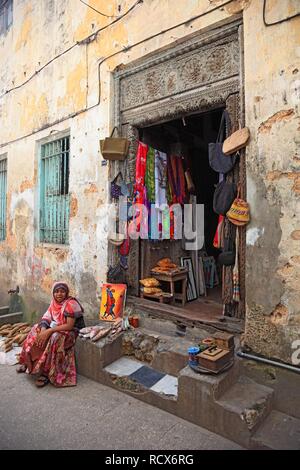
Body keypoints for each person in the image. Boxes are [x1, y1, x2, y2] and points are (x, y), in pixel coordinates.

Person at [16, 282, 85, 387]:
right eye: (56, 291)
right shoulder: (54, 303)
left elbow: (69, 326)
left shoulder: (71, 304)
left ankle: (46, 372)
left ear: (66, 293)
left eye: (62, 291)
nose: (59, 294)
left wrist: (49, 331)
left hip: (70, 332)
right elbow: (46, 318)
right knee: (35, 329)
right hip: (56, 328)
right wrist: (43, 331)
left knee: (54, 337)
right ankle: (28, 362)